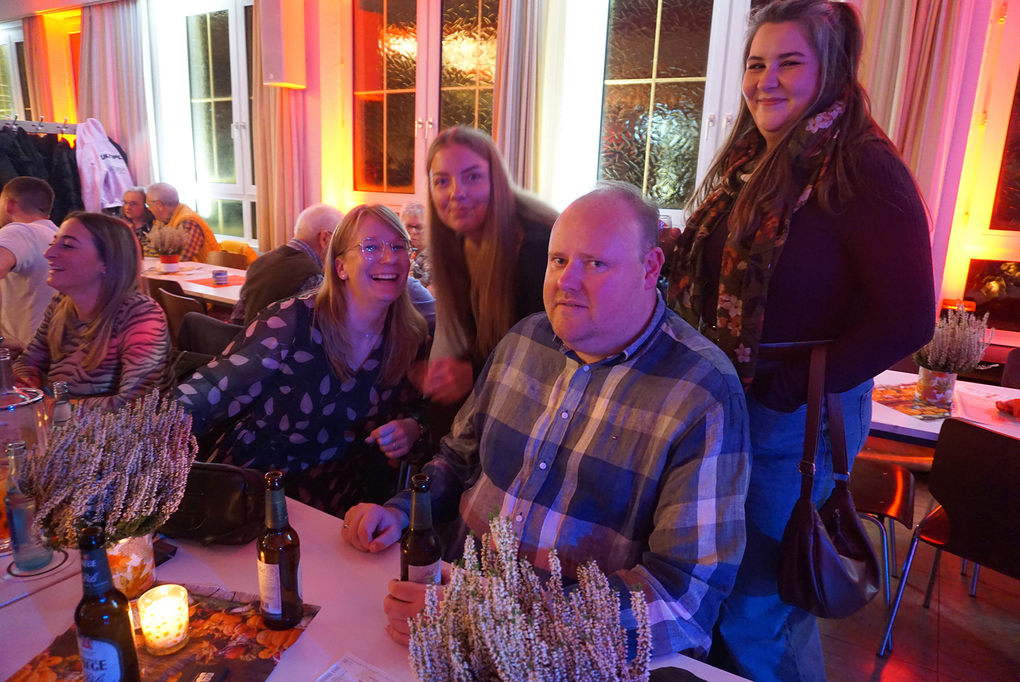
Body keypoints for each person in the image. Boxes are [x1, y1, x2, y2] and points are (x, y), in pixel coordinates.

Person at [343, 182, 751, 658]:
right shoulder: (524, 340)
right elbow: (456, 459)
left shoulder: (702, 392)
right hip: (440, 605)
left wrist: (501, 617)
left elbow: (684, 599)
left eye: (595, 264)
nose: (566, 282)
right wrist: (400, 512)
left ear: (650, 268)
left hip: (561, 652)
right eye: (558, 260)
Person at [665, 2, 935, 680]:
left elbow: (909, 319)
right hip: (729, 405)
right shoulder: (754, 162)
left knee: (759, 607)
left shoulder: (863, 168)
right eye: (756, 64)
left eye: (789, 63)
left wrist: (783, 392)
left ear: (831, 69)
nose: (766, 81)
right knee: (721, 587)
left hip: (792, 420)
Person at [174, 204, 429, 517]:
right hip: (255, 491)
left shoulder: (411, 336)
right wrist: (142, 448)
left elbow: (422, 414)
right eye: (371, 246)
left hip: (344, 502)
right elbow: (207, 393)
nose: (389, 258)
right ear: (341, 267)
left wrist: (414, 428)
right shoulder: (290, 322)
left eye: (399, 246)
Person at [422, 126, 558, 406]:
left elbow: (553, 357)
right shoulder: (459, 245)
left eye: (473, 177)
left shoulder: (538, 249)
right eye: (442, 181)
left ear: (496, 181)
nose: (456, 193)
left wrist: (474, 373)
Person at [13, 212, 171, 412]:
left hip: (111, 432)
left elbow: (136, 406)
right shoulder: (61, 303)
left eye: (68, 245)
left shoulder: (141, 315)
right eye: (53, 243)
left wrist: (50, 405)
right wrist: (25, 384)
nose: (49, 253)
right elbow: (28, 361)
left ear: (107, 261)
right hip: (59, 425)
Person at [230, 203, 344, 325]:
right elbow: (321, 328)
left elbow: (237, 317)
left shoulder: (259, 263)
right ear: (324, 238)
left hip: (250, 336)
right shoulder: (312, 276)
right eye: (339, 240)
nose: (340, 247)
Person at [0, 177, 58, 353]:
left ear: (9, 204)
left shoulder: (17, 231)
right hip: (55, 352)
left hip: (23, 356)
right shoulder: (59, 235)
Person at [145, 182, 220, 263]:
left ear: (159, 205)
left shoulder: (188, 221)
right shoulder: (162, 220)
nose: (148, 209)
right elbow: (148, 250)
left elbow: (181, 258)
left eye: (148, 205)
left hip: (209, 270)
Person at [401, 202, 430, 289]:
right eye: (408, 226)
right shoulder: (397, 251)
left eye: (419, 227)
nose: (413, 232)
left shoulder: (436, 256)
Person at [121, 186, 156, 257]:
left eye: (133, 204)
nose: (128, 208)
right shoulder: (119, 226)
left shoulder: (155, 227)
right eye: (125, 203)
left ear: (146, 205)